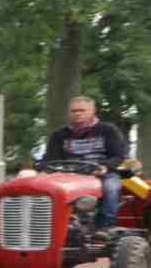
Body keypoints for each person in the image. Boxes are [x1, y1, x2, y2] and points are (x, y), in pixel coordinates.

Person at [43, 96, 128, 231]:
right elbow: (50, 159)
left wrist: (105, 166)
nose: (77, 113)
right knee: (45, 189)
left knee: (111, 188)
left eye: (82, 110)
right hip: (67, 175)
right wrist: (44, 169)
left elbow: (119, 155)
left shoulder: (108, 130)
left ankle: (105, 227)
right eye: (74, 111)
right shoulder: (59, 135)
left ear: (92, 111)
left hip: (101, 173)